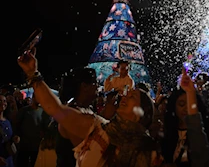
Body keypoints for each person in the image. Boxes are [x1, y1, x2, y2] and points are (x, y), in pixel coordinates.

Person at [17, 49, 162, 167]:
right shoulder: (96, 129)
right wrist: (33, 74)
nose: (123, 96)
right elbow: (56, 109)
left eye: (132, 96)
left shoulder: (149, 152)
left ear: (143, 112)